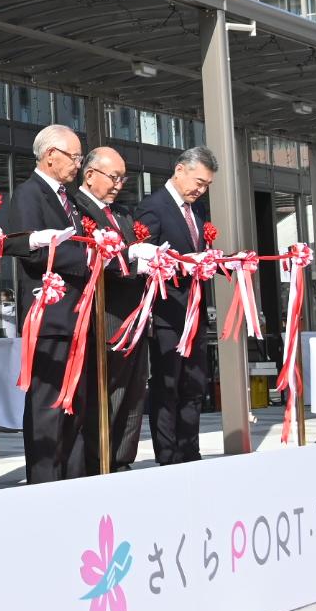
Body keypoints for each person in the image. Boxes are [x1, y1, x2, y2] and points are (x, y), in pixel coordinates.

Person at [0, 125, 96, 484]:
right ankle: (44, 482)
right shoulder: (29, 194)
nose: (78, 164)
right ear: (50, 155)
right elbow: (31, 252)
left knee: (74, 408)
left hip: (75, 318)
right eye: (74, 157)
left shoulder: (70, 199)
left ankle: (71, 477)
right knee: (47, 406)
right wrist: (86, 257)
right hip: (49, 316)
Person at [135, 145, 219, 465]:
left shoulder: (197, 210)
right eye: (199, 182)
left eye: (207, 185)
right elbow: (147, 260)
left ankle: (190, 450)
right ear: (180, 170)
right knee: (167, 385)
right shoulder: (153, 207)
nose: (201, 189)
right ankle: (168, 455)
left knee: (195, 385)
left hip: (194, 312)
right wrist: (184, 264)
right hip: (167, 312)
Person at [70, 147, 149, 474]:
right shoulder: (78, 208)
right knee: (104, 394)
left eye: (122, 178)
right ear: (89, 175)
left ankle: (121, 459)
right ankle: (99, 461)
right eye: (113, 177)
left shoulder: (125, 215)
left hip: (134, 319)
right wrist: (129, 258)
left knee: (133, 394)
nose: (118, 184)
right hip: (104, 317)